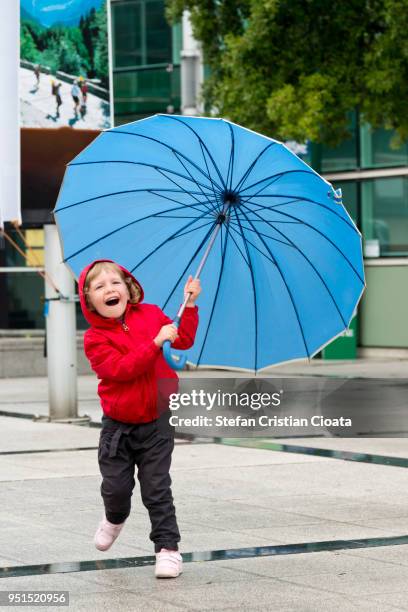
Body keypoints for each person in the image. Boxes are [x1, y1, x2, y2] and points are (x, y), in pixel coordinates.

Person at [78, 259, 201, 578]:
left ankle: (168, 548)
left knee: (157, 487)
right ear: (89, 300)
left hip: (157, 421)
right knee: (116, 488)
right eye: (100, 287)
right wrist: (154, 342)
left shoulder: (150, 314)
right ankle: (114, 518)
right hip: (118, 426)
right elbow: (120, 370)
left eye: (115, 283)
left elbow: (183, 340)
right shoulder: (94, 338)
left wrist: (189, 307)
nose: (109, 289)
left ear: (128, 288)